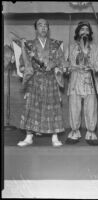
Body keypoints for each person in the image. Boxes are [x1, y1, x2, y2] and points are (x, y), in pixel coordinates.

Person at [17, 18, 65, 147]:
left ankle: (54, 136)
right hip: (35, 80)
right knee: (32, 107)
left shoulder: (55, 45)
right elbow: (22, 64)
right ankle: (29, 136)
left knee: (53, 107)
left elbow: (63, 62)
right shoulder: (29, 45)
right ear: (36, 28)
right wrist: (27, 68)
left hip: (51, 79)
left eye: (46, 25)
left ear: (48, 29)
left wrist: (53, 64)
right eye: (40, 25)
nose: (43, 28)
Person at [65, 21, 98, 145]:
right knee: (74, 107)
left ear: (90, 33)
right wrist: (72, 67)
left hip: (89, 81)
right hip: (75, 81)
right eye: (82, 30)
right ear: (78, 32)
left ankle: (91, 132)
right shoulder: (70, 48)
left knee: (91, 108)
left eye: (87, 30)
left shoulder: (96, 48)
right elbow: (64, 67)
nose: (85, 32)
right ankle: (74, 131)